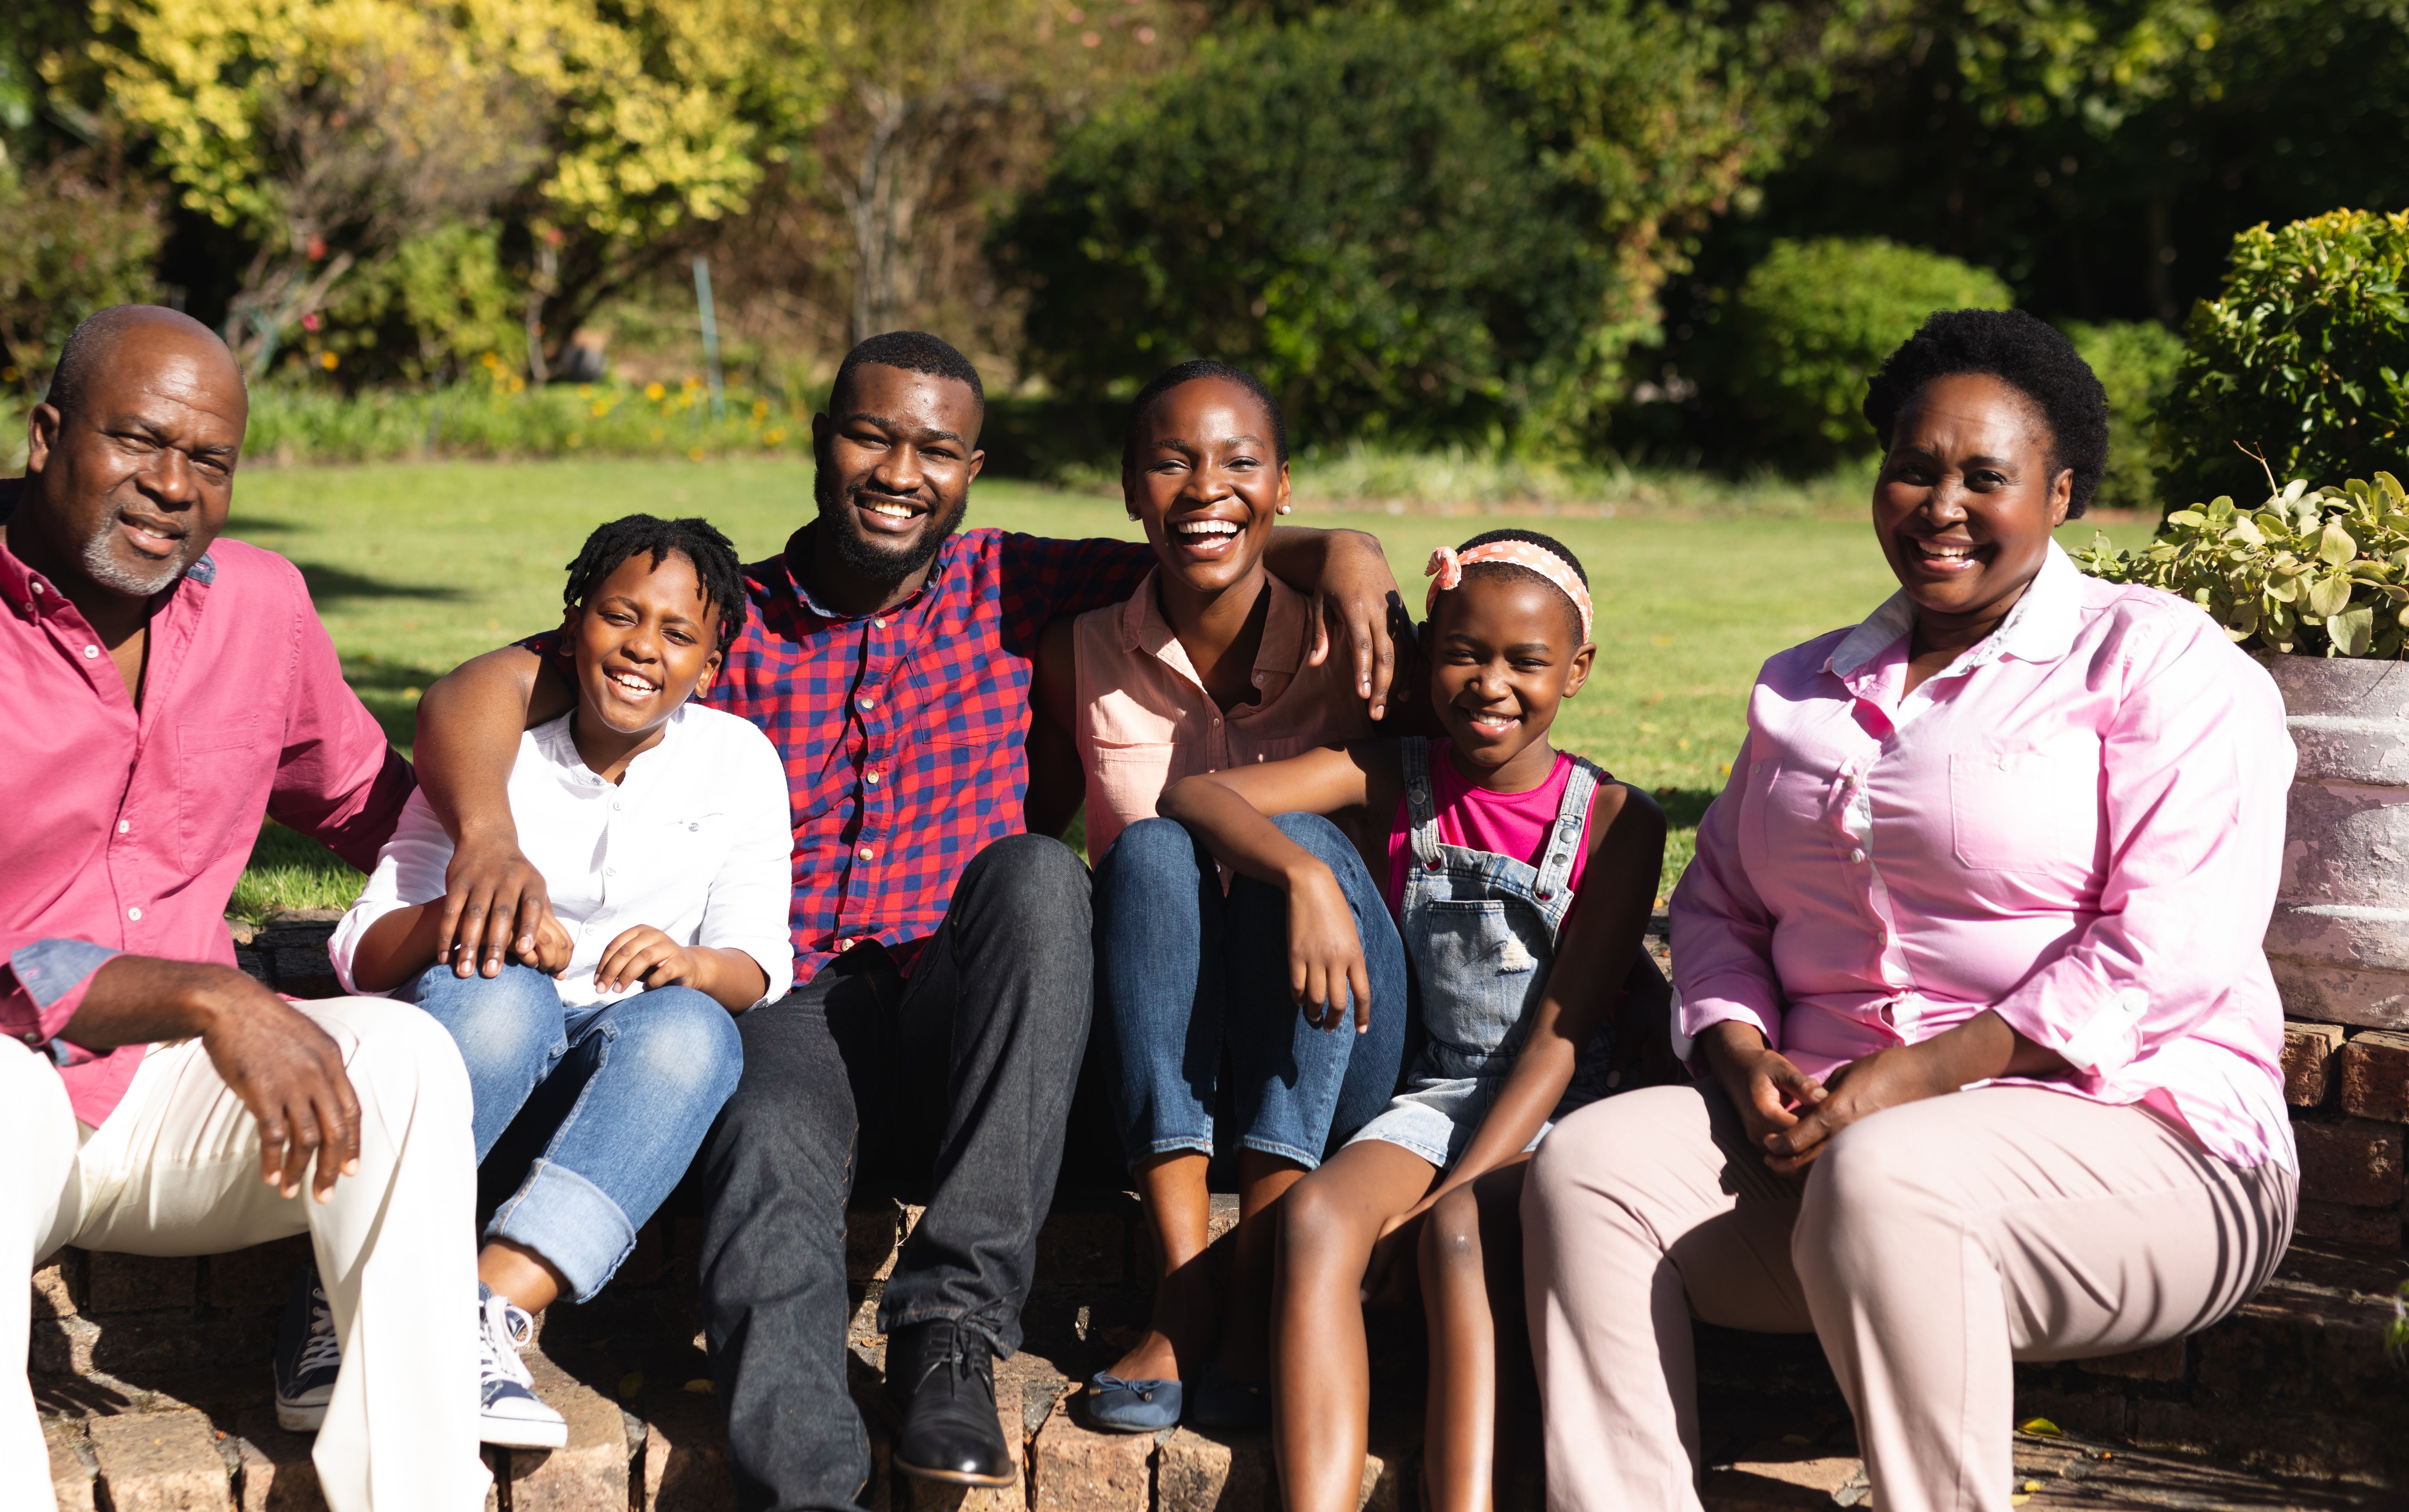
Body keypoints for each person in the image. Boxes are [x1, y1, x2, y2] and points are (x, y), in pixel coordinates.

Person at [407, 331, 1406, 1510]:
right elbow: (488, 685)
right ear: (825, 444)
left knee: (1038, 875)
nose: (899, 471)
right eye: (872, 436)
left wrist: (1344, 551)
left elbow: (1199, 536)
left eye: (934, 449)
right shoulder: (724, 622)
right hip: (795, 1001)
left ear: (972, 470)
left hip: (967, 1006)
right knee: (769, 1142)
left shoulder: (1011, 580)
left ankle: (950, 1337)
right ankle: (809, 1483)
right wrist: (485, 836)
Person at [1522, 308, 2300, 1512]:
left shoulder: (2160, 664)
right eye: (1913, 469)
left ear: (2062, 493)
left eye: (1986, 476)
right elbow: (1722, 900)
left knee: (1892, 1171)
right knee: (1589, 1168)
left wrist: (1921, 1077)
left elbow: (2174, 946)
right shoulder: (1803, 685)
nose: (1941, 505)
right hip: (1834, 1149)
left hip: (2151, 1151)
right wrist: (1737, 1053)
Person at [0, 306, 491, 1512]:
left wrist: (501, 837)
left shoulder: (261, 608)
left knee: (410, 1058)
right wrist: (201, 994)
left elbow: (371, 800)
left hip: (165, 1115)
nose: (173, 486)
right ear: (46, 436)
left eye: (209, 461)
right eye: (138, 442)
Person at [1154, 531, 1663, 1507]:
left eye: (1528, 663)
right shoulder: (1392, 773)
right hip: (1433, 1092)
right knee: (1315, 1222)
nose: (1491, 685)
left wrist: (1447, 1197)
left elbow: (1560, 1044)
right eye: (1466, 653)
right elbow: (1196, 794)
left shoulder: (1617, 822)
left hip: (1562, 1107)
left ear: (1579, 670)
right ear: (1428, 651)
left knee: (1459, 1242)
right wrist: (1302, 870)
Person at [325, 514, 793, 1448]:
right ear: (573, 622)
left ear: (712, 662)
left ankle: (487, 1313)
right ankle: (342, 1298)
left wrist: (692, 963)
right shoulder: (497, 763)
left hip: (615, 1084)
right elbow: (363, 952)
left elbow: (755, 962)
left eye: (677, 635)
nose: (641, 650)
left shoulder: (737, 761)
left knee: (700, 1031)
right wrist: (479, 909)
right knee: (505, 997)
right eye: (621, 616)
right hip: (475, 1058)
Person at [1032, 362, 1397, 1436]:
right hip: (1166, 1060)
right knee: (1147, 854)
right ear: (1130, 489)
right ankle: (1189, 1289)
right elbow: (1027, 832)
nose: (1206, 488)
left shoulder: (1360, 641)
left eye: (1240, 463)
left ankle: (1267, 1276)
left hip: (1339, 1046)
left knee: (1307, 834)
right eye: (1172, 462)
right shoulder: (1077, 657)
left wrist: (1310, 870)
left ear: (1285, 488)